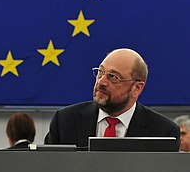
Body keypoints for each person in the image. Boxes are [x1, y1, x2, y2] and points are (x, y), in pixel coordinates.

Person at [44, 48, 180, 149]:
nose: (101, 82)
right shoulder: (64, 121)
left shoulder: (164, 132)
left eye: (113, 77)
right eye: (100, 72)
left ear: (137, 88)